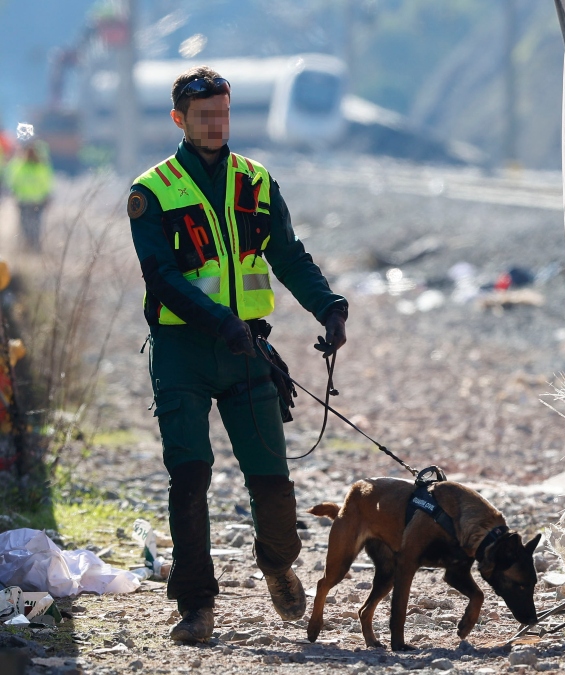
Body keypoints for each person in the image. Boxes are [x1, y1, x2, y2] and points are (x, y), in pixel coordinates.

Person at [127, 66, 349, 644]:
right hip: (182, 351)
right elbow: (161, 278)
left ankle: (277, 564)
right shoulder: (151, 192)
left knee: (272, 479)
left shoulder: (256, 182)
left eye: (223, 114)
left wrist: (328, 306)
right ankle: (197, 605)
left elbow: (289, 255)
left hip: (248, 348)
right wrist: (218, 321)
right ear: (179, 119)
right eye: (205, 117)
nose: (217, 125)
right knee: (190, 477)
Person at [4, 143, 54, 251]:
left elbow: (47, 183)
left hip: (33, 201)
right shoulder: (23, 166)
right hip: (28, 201)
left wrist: (48, 196)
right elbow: (14, 182)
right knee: (28, 225)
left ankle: (32, 247)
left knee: (33, 226)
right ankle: (28, 246)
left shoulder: (36, 166)